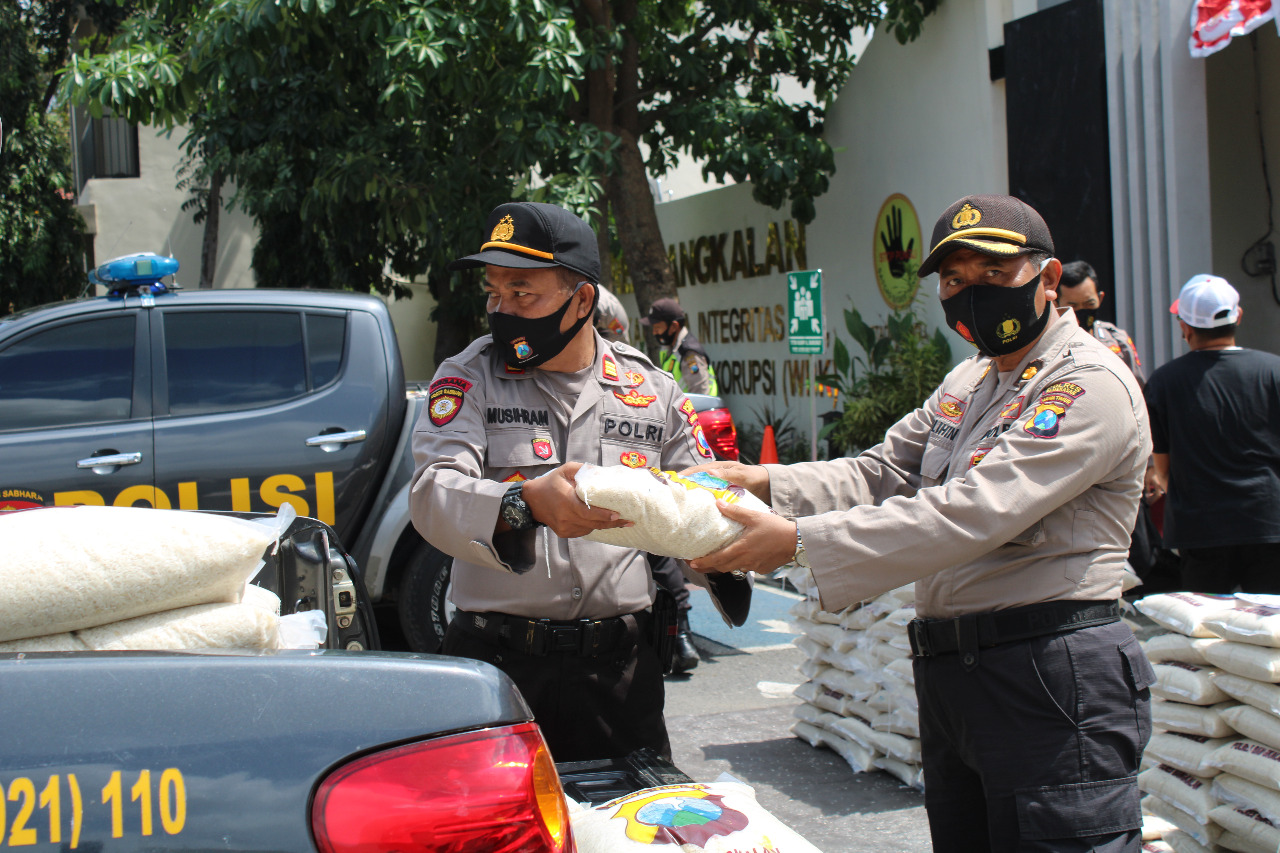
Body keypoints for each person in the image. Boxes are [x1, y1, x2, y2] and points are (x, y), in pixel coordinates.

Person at [683, 194, 1155, 852]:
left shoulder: (1085, 385)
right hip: (955, 671)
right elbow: (882, 471)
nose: (971, 294)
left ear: (1048, 280)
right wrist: (765, 481)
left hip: (1049, 668)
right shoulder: (969, 382)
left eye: (994, 274)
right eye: (956, 281)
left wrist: (797, 544)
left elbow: (972, 509)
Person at [409, 201, 749, 762]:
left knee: (632, 832)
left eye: (523, 294)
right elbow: (433, 493)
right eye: (494, 292)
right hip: (497, 667)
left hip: (619, 672)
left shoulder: (653, 390)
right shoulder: (467, 377)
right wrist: (524, 505)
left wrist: (728, 545)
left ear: (582, 300)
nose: (502, 309)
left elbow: (703, 492)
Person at [1143, 274, 1280, 593]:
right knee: (1270, 630)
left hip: (1200, 529)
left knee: (1209, 636)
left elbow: (1163, 470)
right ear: (1238, 316)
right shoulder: (1273, 371)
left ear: (1184, 327)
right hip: (1269, 523)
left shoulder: (1164, 382)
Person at [594, 287, 703, 673]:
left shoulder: (687, 356)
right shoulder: (666, 356)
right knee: (653, 543)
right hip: (646, 448)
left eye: (658, 325)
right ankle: (681, 635)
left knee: (657, 540)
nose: (654, 331)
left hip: (668, 443)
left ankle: (681, 633)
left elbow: (697, 396)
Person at [1057, 260, 1146, 385]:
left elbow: (1137, 387)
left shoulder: (1118, 340)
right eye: (1073, 306)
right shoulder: (1050, 344)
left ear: (1100, 298)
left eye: (1089, 304)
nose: (1081, 311)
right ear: (1056, 303)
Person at [640, 297, 719, 395]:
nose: (654, 332)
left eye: (657, 327)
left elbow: (701, 395)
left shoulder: (689, 353)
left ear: (674, 326)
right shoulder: (670, 349)